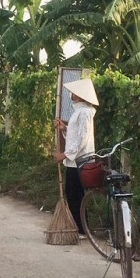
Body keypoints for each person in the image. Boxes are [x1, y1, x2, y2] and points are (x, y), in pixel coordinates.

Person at [52, 78, 98, 237]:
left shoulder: (84, 112)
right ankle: (80, 227)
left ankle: (82, 229)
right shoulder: (79, 111)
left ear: (79, 95)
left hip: (80, 161)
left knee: (75, 193)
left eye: (74, 92)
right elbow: (74, 135)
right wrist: (64, 128)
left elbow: (81, 139)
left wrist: (64, 154)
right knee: (73, 192)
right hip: (74, 161)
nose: (71, 94)